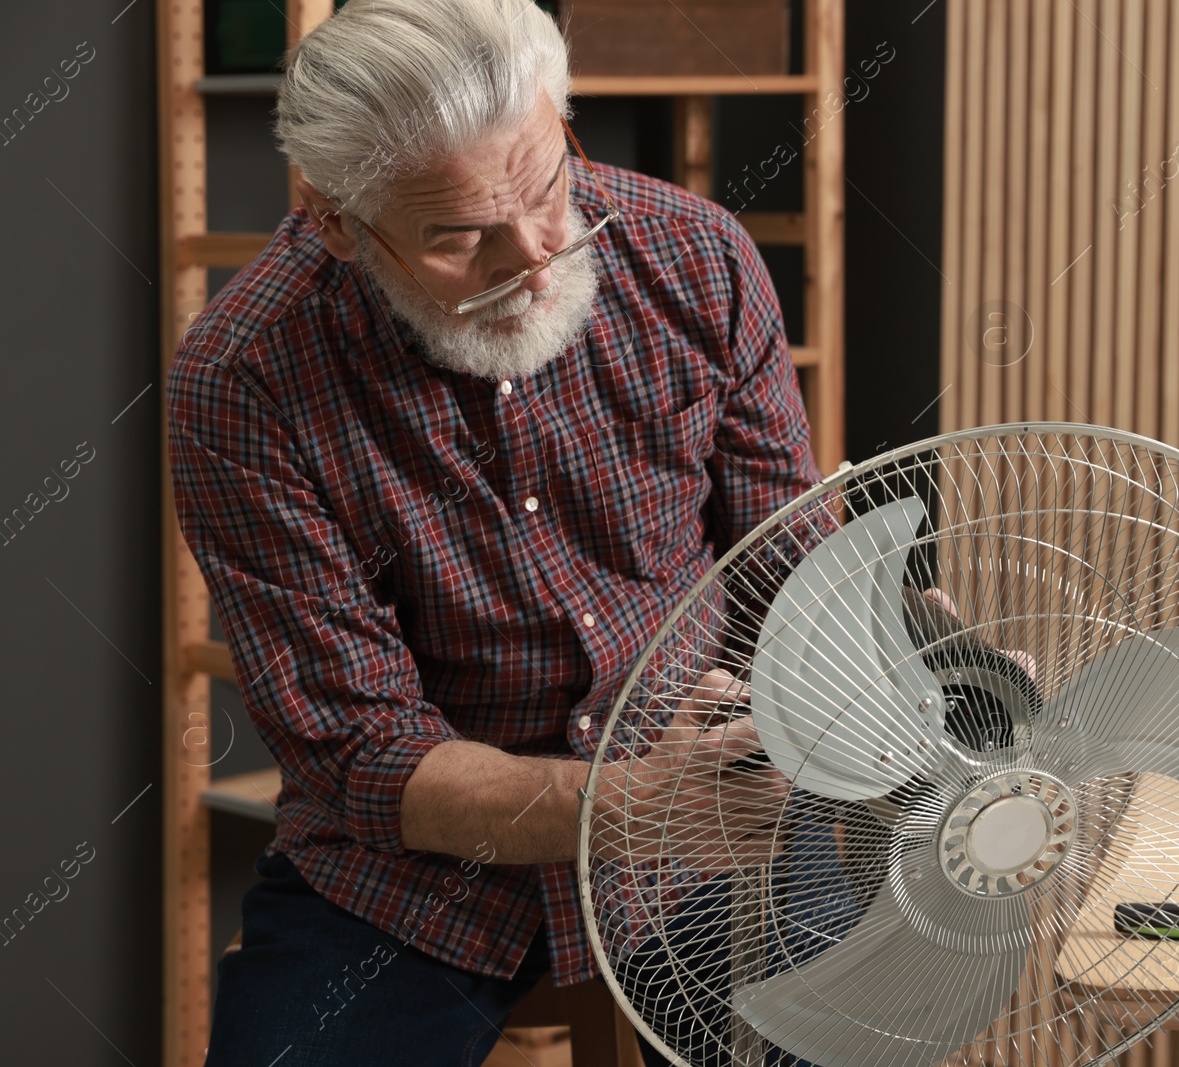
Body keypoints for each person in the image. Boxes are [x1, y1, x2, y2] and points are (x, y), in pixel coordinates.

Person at [166, 1, 819, 1062]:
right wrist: (623, 805)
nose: (535, 261)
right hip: (415, 870)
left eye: (550, 186)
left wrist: (903, 656)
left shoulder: (695, 256)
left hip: (709, 815)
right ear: (337, 222)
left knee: (862, 1020)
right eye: (461, 236)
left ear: (563, 122)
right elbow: (361, 754)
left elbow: (789, 565)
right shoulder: (245, 378)